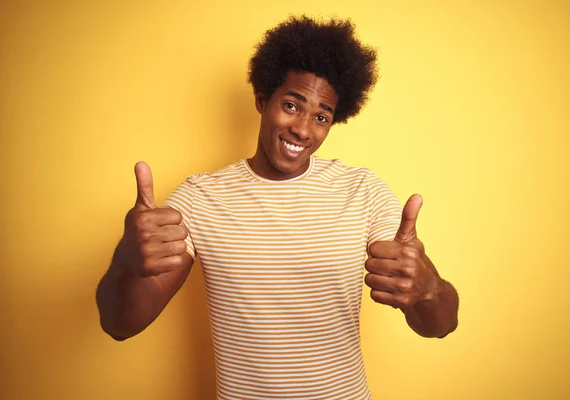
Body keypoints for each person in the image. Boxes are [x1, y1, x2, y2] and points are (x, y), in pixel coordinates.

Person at [96, 15, 459, 399]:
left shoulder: (363, 192)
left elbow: (441, 325)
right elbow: (120, 325)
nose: (303, 129)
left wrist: (429, 289)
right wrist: (125, 264)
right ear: (262, 100)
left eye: (321, 117)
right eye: (291, 105)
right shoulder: (200, 200)